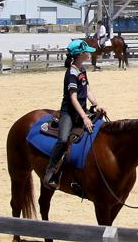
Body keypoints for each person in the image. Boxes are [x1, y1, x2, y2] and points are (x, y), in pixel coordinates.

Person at [43, 40, 105, 189]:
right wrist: (84, 117)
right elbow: (73, 98)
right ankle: (50, 171)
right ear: (80, 55)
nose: (89, 53)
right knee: (64, 140)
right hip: (69, 114)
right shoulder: (71, 73)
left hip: (82, 111)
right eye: (87, 51)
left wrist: (96, 104)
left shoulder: (82, 69)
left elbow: (87, 89)